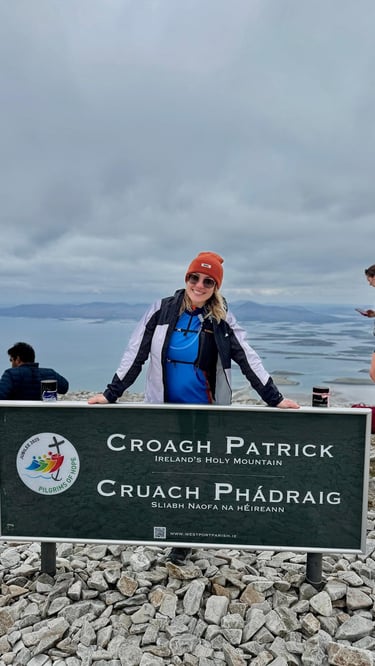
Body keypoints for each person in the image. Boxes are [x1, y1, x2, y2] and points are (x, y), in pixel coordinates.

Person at [88, 251, 300, 564]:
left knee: (192, 475)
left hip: (203, 412)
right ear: (186, 279)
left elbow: (247, 356)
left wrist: (274, 397)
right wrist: (111, 394)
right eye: (194, 278)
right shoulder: (162, 309)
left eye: (208, 281)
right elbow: (136, 352)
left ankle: (182, 540)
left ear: (216, 286)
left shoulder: (221, 317)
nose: (199, 285)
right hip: (164, 408)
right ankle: (166, 527)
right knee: (165, 472)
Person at [0, 342, 69, 400]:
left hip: (16, 415)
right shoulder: (50, 373)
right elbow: (64, 388)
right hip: (45, 415)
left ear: (18, 359)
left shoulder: (10, 374)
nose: (11, 363)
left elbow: (1, 395)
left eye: (11, 360)